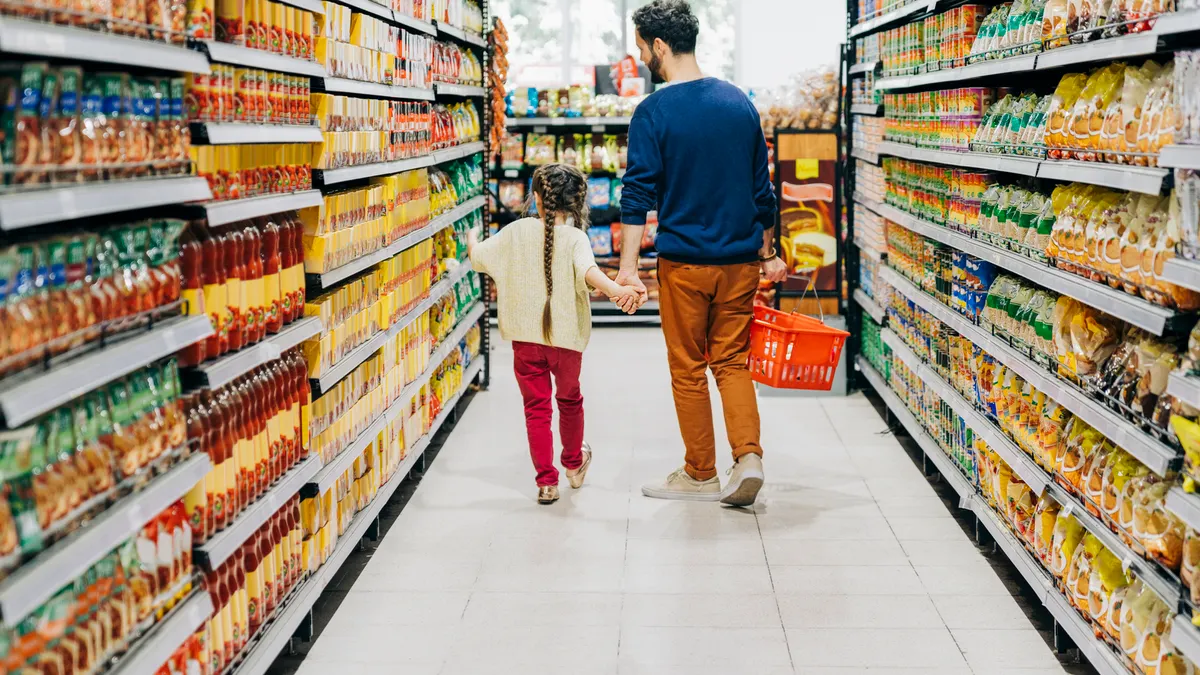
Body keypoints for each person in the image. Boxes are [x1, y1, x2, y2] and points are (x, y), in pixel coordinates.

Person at [616, 0, 786, 507]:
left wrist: (628, 269)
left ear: (660, 46)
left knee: (688, 367)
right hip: (739, 263)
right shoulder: (738, 102)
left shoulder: (654, 111)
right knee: (733, 361)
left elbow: (637, 193)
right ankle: (749, 458)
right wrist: (769, 250)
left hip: (685, 263)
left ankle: (700, 473)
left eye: (643, 46)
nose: (642, 55)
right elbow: (764, 192)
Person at [467, 163, 641, 505]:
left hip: (525, 342)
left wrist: (472, 237)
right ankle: (574, 465)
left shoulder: (515, 233)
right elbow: (590, 273)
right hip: (566, 343)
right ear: (578, 201)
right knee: (570, 400)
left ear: (536, 198)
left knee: (536, 409)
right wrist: (618, 293)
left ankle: (547, 482)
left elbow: (478, 257)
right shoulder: (576, 238)